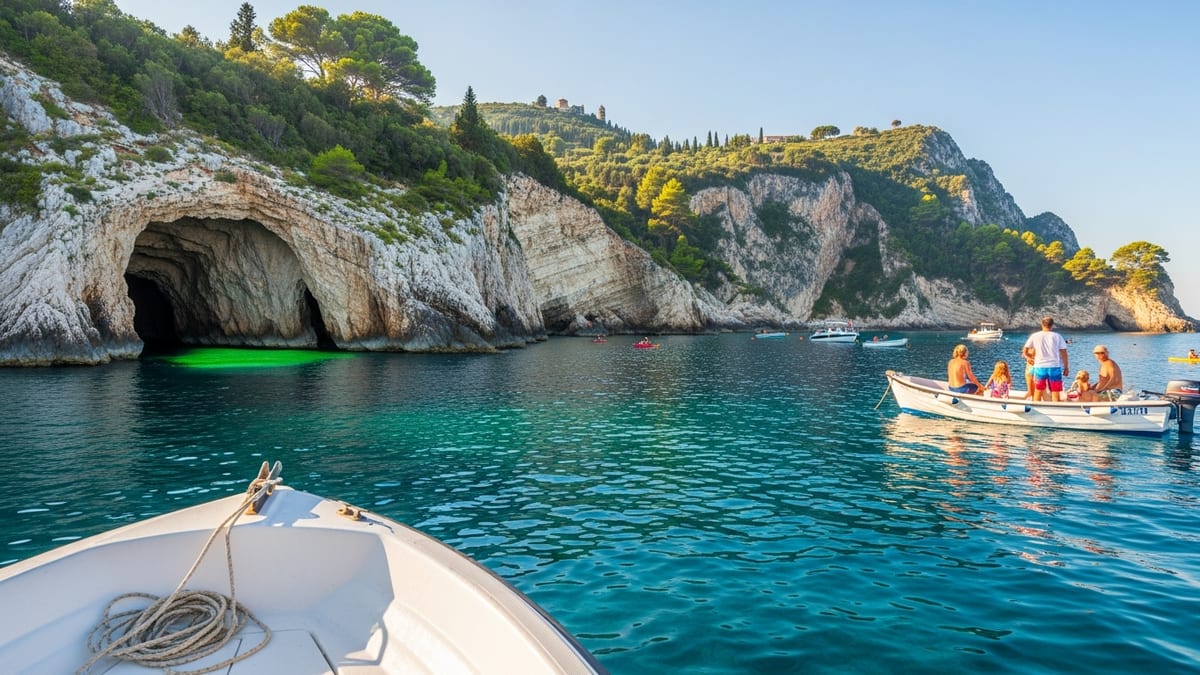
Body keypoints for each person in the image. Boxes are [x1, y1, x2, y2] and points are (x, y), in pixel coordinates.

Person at [1022, 316, 1069, 402]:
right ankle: (1055, 410)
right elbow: (1064, 353)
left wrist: (1028, 358)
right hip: (1054, 367)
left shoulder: (1035, 336)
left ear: (1042, 324)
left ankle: (1036, 409)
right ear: (1052, 325)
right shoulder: (1058, 336)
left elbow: (1024, 351)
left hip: (1039, 367)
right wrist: (1066, 367)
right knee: (1055, 392)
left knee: (1038, 391)